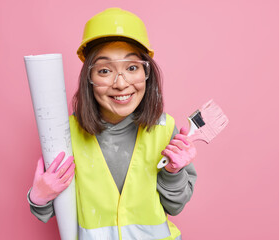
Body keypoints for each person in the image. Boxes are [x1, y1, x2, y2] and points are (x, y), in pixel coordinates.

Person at [27, 7, 197, 240]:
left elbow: (175, 206)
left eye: (132, 68)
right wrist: (38, 197)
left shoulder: (164, 128)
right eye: (105, 70)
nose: (120, 83)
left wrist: (173, 171)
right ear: (89, 78)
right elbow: (55, 209)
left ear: (147, 72)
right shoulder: (65, 134)